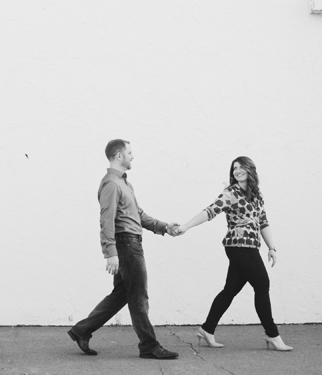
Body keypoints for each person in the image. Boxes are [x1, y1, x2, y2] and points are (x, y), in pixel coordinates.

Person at [67, 139, 180, 359]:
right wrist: (110, 253)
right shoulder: (111, 183)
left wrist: (165, 227)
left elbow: (139, 215)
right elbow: (106, 220)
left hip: (131, 243)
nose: (133, 156)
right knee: (138, 296)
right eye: (130, 152)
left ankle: (82, 330)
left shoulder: (125, 184)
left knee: (121, 295)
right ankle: (149, 345)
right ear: (119, 156)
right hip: (126, 244)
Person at [173, 156, 293, 352]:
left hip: (251, 246)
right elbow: (210, 211)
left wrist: (272, 247)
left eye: (240, 167)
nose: (236, 171)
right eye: (234, 168)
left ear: (250, 169)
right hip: (238, 246)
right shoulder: (230, 193)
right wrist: (186, 225)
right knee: (262, 285)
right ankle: (272, 335)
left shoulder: (256, 194)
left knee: (230, 290)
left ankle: (207, 329)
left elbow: (263, 222)